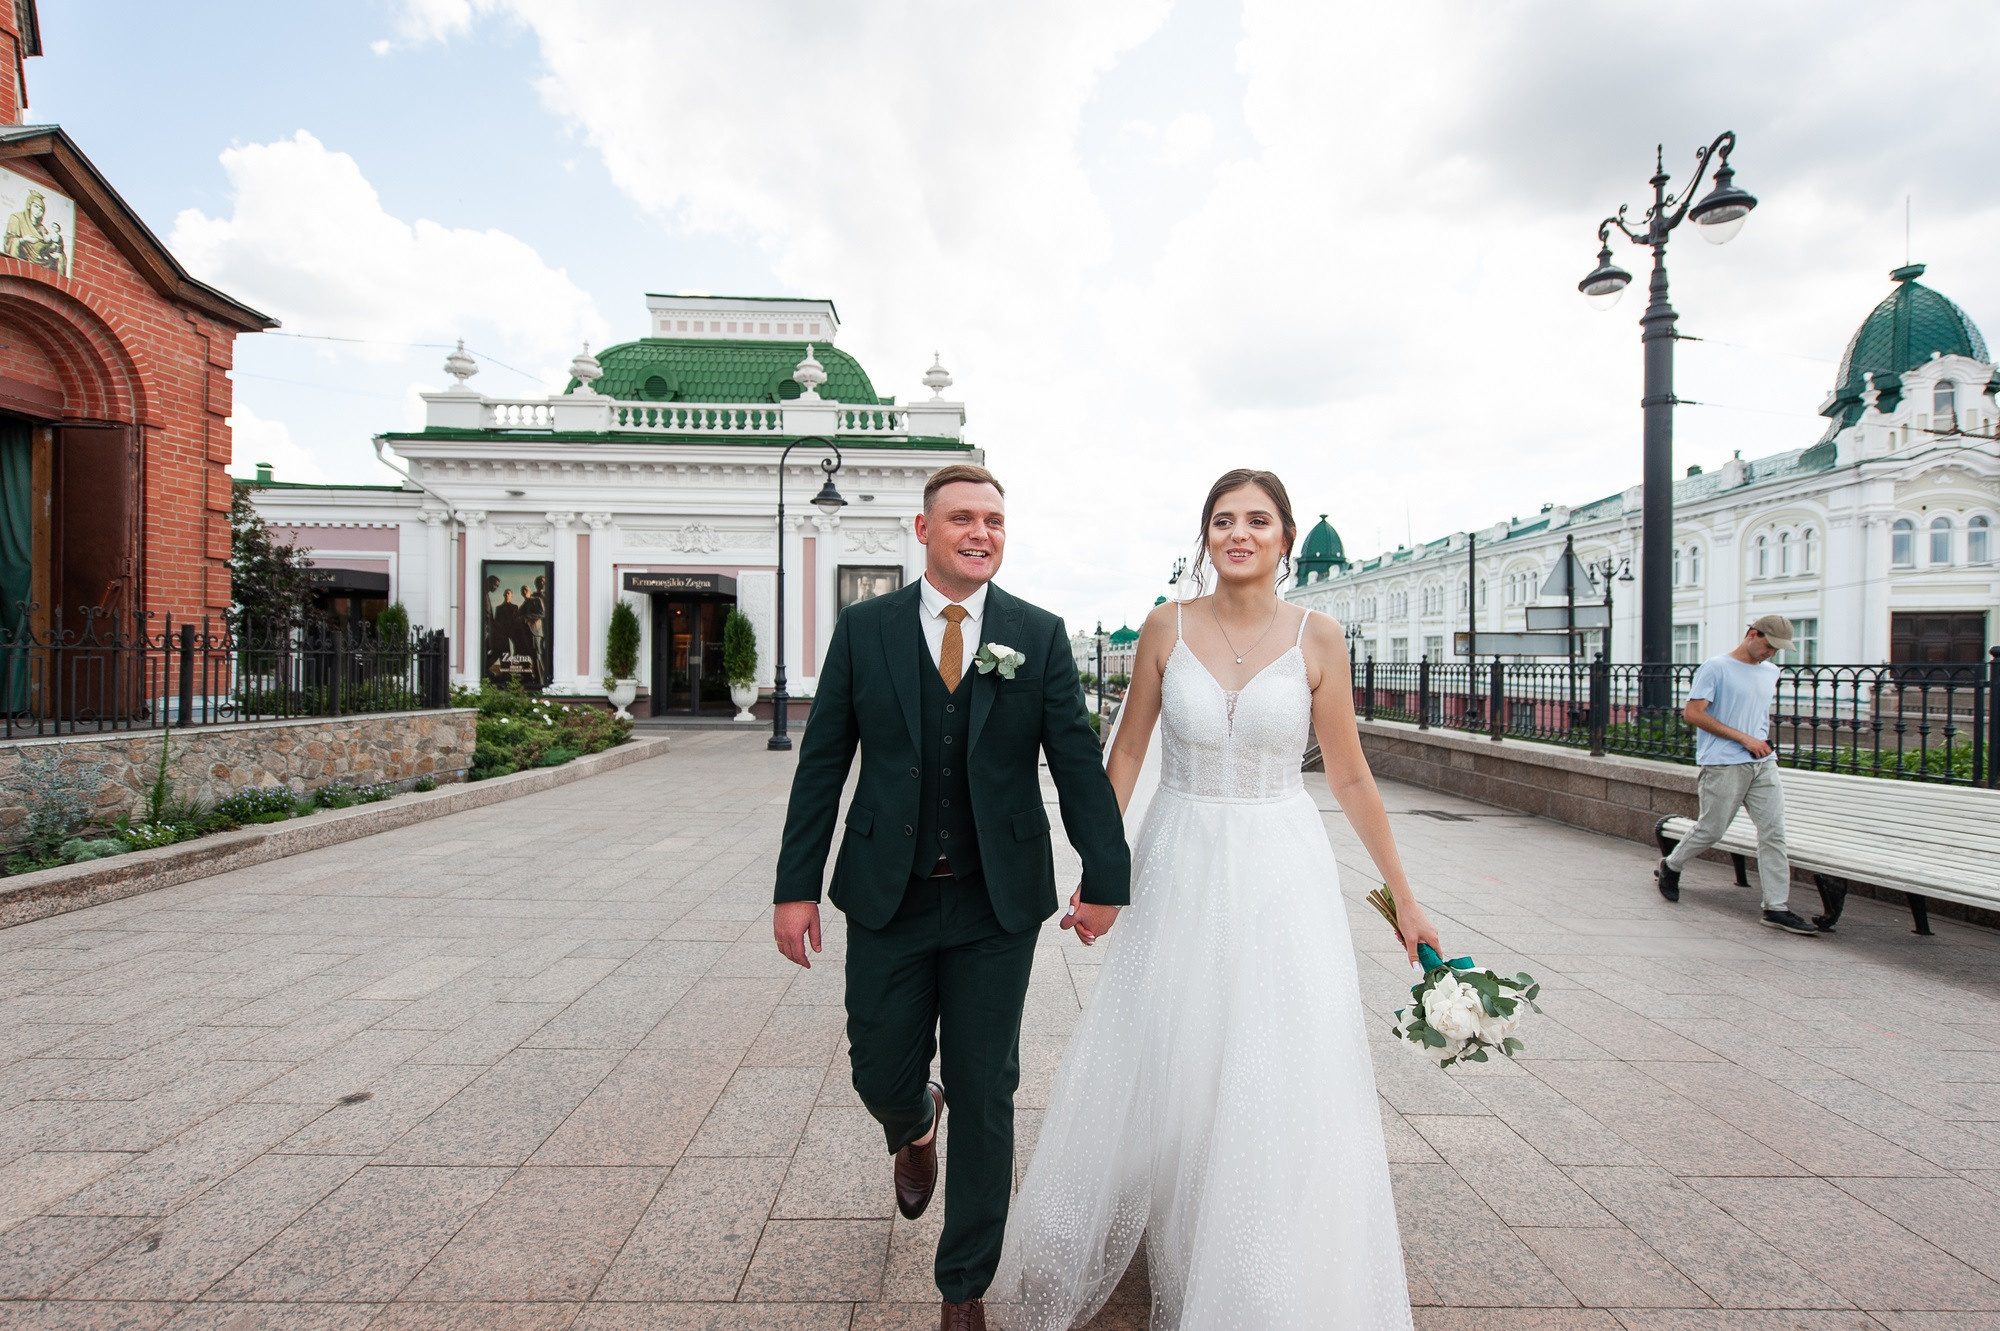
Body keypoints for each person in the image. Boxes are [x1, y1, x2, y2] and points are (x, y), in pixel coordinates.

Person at [989, 468, 1434, 1331]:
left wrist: (1404, 900)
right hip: (1181, 855)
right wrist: (1099, 870)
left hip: (1281, 866)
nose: (1239, 533)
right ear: (1206, 538)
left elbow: (1348, 773)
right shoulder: (1166, 627)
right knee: (1169, 1039)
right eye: (1223, 520)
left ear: (1284, 538)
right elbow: (1122, 760)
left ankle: (1257, 1253)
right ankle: (1170, 1212)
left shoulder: (1320, 637)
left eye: (1257, 520)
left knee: (1272, 1052)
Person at [773, 463, 1130, 1331]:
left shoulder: (1037, 636)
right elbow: (824, 762)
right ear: (923, 529)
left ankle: (962, 1285)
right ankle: (912, 1118)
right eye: (964, 518)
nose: (982, 532)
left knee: (987, 1086)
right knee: (878, 1066)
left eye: (996, 521)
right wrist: (796, 887)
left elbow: (1077, 762)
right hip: (886, 897)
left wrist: (1108, 874)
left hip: (994, 905)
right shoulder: (865, 631)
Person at [1656, 614, 1823, 933]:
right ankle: (1672, 865)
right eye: (1769, 645)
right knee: (1712, 829)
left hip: (1763, 762)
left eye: (1778, 649)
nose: (1771, 653)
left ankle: (1776, 907)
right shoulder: (1716, 667)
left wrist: (1760, 742)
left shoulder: (1771, 672)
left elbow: (1756, 713)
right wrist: (1743, 738)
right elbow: (1692, 713)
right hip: (1723, 762)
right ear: (1752, 634)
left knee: (1773, 832)